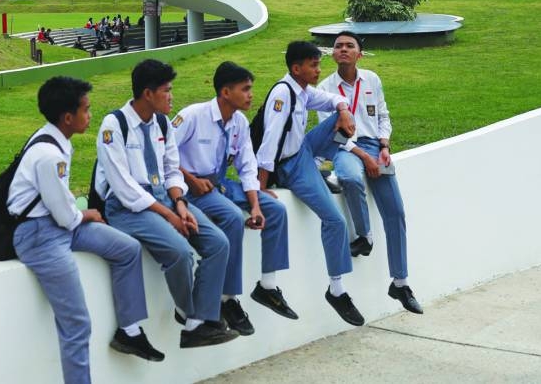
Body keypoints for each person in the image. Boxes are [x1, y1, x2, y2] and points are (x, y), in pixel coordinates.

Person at [9, 76, 164, 384]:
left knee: (127, 248)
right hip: (39, 236)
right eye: (86, 109)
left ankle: (130, 329)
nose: (90, 115)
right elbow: (65, 216)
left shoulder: (54, 140)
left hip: (58, 224)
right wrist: (84, 214)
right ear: (68, 117)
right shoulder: (50, 155)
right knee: (77, 323)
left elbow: (61, 206)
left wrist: (81, 214)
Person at [96, 59, 238, 348]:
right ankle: (191, 317)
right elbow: (124, 187)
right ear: (148, 94)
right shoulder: (115, 125)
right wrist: (168, 216)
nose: (172, 96)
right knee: (180, 252)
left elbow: (172, 169)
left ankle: (199, 321)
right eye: (166, 90)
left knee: (218, 243)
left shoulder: (161, 123)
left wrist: (181, 206)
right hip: (128, 207)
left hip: (165, 198)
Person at [173, 61, 297, 336]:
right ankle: (228, 299)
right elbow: (163, 154)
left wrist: (254, 203)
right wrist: (190, 178)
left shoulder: (239, 121)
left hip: (219, 185)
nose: (251, 94)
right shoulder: (193, 116)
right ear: (225, 92)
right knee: (230, 216)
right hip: (189, 188)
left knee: (274, 209)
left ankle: (267, 286)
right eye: (246, 89)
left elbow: (247, 165)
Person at [257, 41, 365, 326]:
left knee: (341, 117)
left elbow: (330, 99)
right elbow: (269, 145)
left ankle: (318, 170)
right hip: (291, 166)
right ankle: (336, 289)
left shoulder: (301, 90)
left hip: (303, 151)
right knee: (336, 221)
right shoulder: (284, 96)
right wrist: (261, 188)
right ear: (296, 68)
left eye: (318, 64)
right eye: (313, 65)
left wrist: (343, 108)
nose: (318, 70)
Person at [317, 31, 423, 314]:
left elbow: (383, 115)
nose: (342, 49)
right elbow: (331, 134)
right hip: (344, 148)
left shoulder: (372, 80)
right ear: (333, 54)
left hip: (376, 146)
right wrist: (364, 156)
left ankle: (400, 283)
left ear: (359, 54)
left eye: (349, 46)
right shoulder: (325, 88)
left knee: (396, 212)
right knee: (351, 178)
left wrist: (385, 146)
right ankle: (364, 236)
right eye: (338, 46)